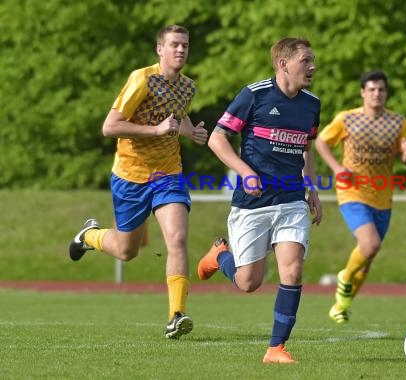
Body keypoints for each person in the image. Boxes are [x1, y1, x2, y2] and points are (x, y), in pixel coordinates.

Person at [68, 25, 208, 339]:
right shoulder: (142, 79)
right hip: (130, 176)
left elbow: (178, 115)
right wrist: (156, 131)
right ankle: (89, 235)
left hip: (168, 174)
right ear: (160, 49)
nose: (181, 50)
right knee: (126, 251)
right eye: (174, 45)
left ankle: (177, 315)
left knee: (177, 239)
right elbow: (110, 126)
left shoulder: (187, 86)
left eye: (185, 45)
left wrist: (191, 132)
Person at [196, 37, 322, 364]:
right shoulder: (254, 95)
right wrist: (244, 171)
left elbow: (306, 148)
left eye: (312, 61)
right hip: (252, 203)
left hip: (292, 201)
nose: (312, 67)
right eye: (305, 60)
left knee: (292, 271)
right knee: (248, 282)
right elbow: (217, 138)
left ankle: (276, 349)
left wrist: (312, 188)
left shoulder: (311, 104)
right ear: (284, 64)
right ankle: (220, 255)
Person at [315, 70, 406, 323]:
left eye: (381, 89)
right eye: (371, 89)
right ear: (362, 92)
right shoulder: (347, 119)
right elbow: (321, 142)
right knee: (370, 245)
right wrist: (337, 169)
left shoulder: (398, 122)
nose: (376, 93)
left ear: (386, 93)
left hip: (383, 197)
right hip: (353, 191)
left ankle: (340, 305)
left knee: (367, 258)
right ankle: (345, 277)